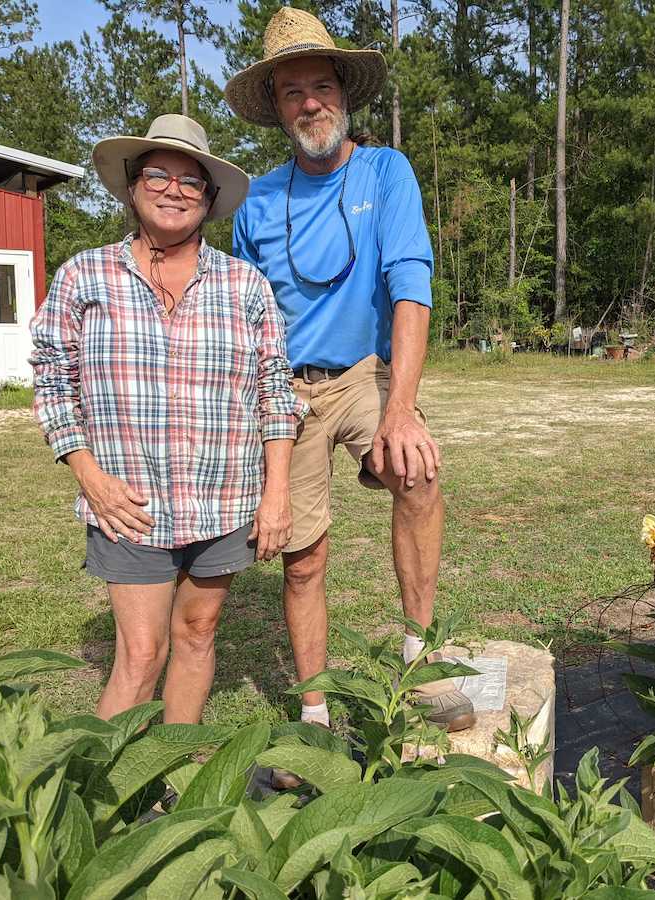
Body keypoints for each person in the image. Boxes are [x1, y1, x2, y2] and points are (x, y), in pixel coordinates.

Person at [225, 7, 474, 739]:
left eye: (321, 85)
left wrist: (401, 407)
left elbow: (411, 287)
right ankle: (314, 710)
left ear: (344, 92)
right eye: (293, 90)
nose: (310, 102)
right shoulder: (257, 201)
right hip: (286, 389)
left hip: (365, 373)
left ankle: (417, 662)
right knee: (302, 560)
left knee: (420, 475)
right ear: (276, 106)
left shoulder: (386, 171)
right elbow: (246, 320)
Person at [30, 114, 305, 725]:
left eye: (191, 181)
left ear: (208, 201)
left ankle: (173, 772)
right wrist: (89, 476)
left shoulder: (244, 285)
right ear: (133, 185)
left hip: (225, 498)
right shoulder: (85, 276)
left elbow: (275, 391)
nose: (173, 190)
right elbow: (52, 381)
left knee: (199, 632)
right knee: (141, 654)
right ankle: (96, 801)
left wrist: (276, 493)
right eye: (159, 174)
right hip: (129, 501)